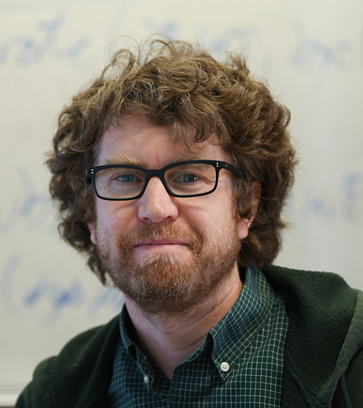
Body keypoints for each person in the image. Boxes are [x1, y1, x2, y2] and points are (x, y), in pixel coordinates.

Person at [16, 37, 363, 408]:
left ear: (246, 206)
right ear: (89, 216)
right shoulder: (52, 395)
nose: (155, 208)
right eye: (124, 177)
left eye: (188, 177)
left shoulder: (353, 365)